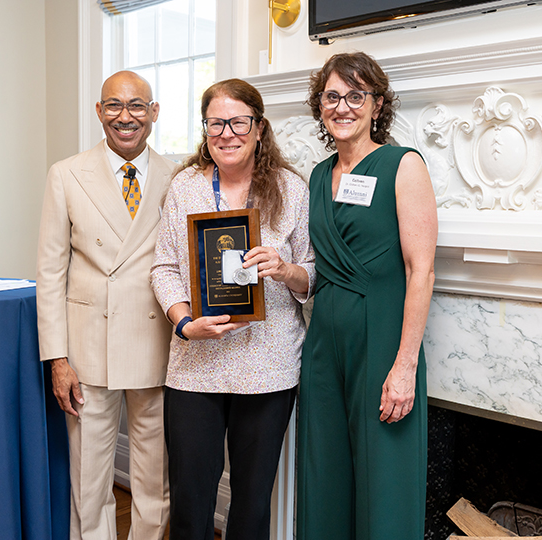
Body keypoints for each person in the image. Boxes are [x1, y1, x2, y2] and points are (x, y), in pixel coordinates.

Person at [150, 78, 315, 540]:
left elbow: (313, 273)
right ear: (205, 130)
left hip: (268, 368)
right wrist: (184, 322)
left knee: (251, 505)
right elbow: (163, 268)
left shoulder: (291, 189)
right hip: (195, 368)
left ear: (259, 128)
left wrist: (284, 269)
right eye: (215, 123)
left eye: (238, 122)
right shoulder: (185, 187)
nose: (227, 133)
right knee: (189, 503)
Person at [296, 52, 438, 540]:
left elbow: (421, 271)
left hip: (382, 343)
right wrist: (284, 271)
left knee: (385, 479)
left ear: (377, 105)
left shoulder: (404, 165)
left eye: (356, 96)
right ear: (320, 107)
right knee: (325, 473)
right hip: (322, 348)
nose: (342, 106)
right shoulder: (317, 176)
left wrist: (404, 365)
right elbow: (317, 269)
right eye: (332, 96)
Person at [36, 71, 174, 540]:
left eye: (137, 106)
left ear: (154, 113)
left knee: (154, 478)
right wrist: (57, 358)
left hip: (159, 343)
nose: (125, 116)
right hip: (88, 347)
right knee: (88, 478)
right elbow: (50, 273)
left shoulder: (179, 176)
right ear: (99, 112)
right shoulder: (66, 173)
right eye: (113, 106)